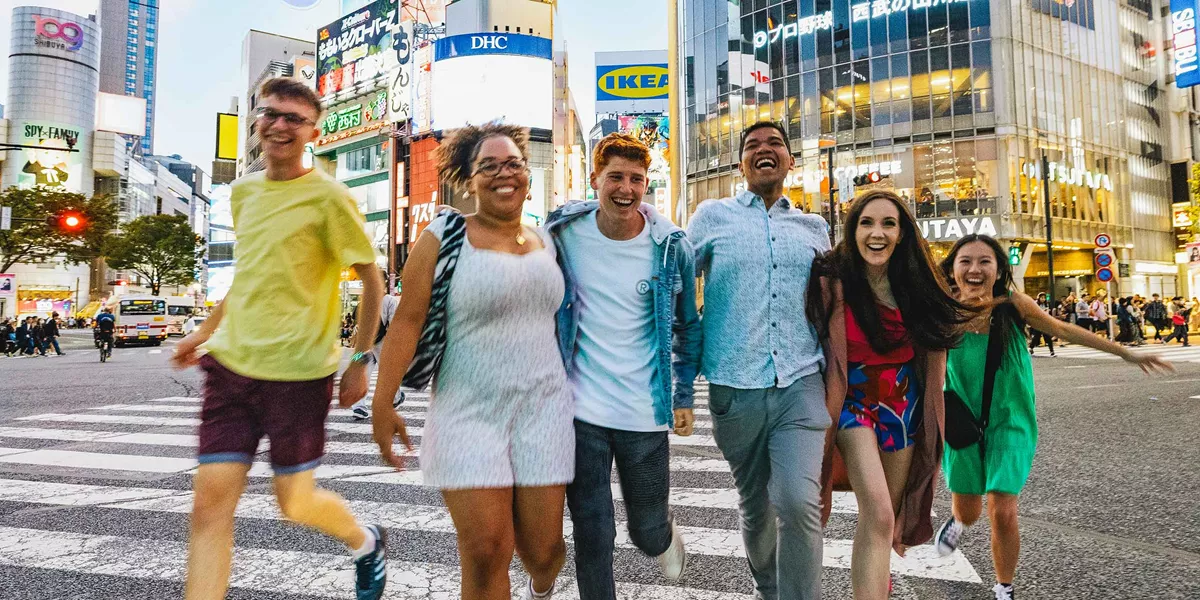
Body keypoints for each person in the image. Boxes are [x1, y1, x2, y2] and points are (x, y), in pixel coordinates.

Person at [169, 77, 389, 600]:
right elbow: (250, 273)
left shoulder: (330, 200)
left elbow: (372, 280)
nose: (280, 125)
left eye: (294, 118)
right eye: (271, 114)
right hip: (232, 369)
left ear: (313, 130)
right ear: (256, 121)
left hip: (299, 373)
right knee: (208, 509)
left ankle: (365, 542)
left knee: (294, 503)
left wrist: (360, 361)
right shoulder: (243, 193)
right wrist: (203, 329)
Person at [369, 122, 574, 600]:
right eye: (489, 166)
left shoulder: (548, 240)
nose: (504, 174)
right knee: (485, 552)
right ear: (468, 179)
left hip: (544, 412)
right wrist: (383, 401)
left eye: (514, 164)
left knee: (545, 553)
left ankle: (538, 587)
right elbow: (407, 322)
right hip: (467, 414)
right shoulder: (445, 235)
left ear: (527, 173)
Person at [932, 234, 1172, 600]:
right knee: (969, 511)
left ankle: (1004, 587)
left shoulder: (1013, 305)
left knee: (1002, 507)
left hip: (1010, 421)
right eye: (966, 261)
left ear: (998, 270)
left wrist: (1125, 353)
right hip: (961, 420)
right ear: (952, 269)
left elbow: (1063, 330)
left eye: (985, 261)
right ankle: (959, 523)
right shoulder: (943, 311)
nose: (975, 269)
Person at [545, 133, 702, 599]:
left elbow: (688, 327)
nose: (626, 188)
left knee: (645, 531)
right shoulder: (563, 233)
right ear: (594, 179)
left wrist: (684, 396)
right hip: (580, 414)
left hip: (644, 414)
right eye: (615, 176)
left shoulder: (671, 246)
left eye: (636, 179)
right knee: (593, 534)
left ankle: (664, 536)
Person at [685, 121, 831, 599]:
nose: (764, 151)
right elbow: (677, 285)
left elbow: (836, 304)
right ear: (740, 164)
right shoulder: (712, 216)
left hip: (800, 381)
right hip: (734, 385)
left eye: (775, 145)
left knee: (797, 501)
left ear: (791, 161)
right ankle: (768, 589)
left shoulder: (815, 228)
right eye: (752, 147)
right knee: (755, 504)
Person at [807, 190, 970, 599]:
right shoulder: (832, 281)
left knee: (887, 516)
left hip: (904, 407)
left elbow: (955, 326)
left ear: (901, 234)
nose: (876, 233)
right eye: (867, 223)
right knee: (878, 512)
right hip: (852, 403)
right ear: (853, 229)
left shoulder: (917, 285)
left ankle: (878, 583)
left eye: (888, 224)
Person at [348, 293, 406, 421]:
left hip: (364, 343)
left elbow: (356, 322)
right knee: (388, 372)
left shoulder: (363, 299)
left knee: (361, 373)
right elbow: (393, 322)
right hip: (383, 342)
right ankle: (396, 398)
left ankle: (359, 407)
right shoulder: (389, 300)